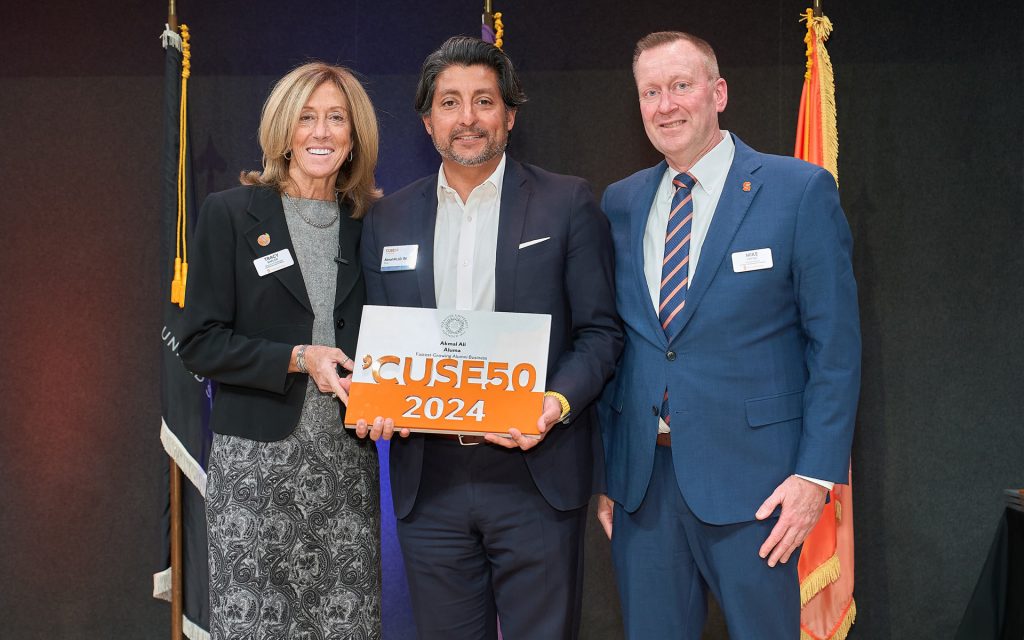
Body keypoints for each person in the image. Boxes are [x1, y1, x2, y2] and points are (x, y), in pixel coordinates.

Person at [596, 31, 861, 639]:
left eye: (681, 86)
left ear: (718, 92)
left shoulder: (798, 191)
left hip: (761, 492)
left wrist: (815, 478)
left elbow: (836, 350)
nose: (666, 105)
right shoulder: (620, 203)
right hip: (643, 490)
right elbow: (620, 345)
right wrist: (608, 476)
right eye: (651, 92)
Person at [359, 36, 622, 640]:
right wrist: (372, 397)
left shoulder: (566, 203)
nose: (468, 117)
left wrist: (553, 405)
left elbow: (601, 333)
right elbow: (376, 334)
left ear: (509, 114)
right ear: (428, 122)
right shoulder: (386, 219)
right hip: (431, 482)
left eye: (484, 100)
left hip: (535, 470)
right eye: (450, 103)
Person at [180, 62, 385, 640]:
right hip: (256, 469)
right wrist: (298, 357)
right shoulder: (230, 214)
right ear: (283, 130)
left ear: (353, 137)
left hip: (346, 466)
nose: (321, 132)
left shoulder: (370, 221)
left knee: (345, 624)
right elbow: (199, 343)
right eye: (307, 117)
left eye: (336, 119)